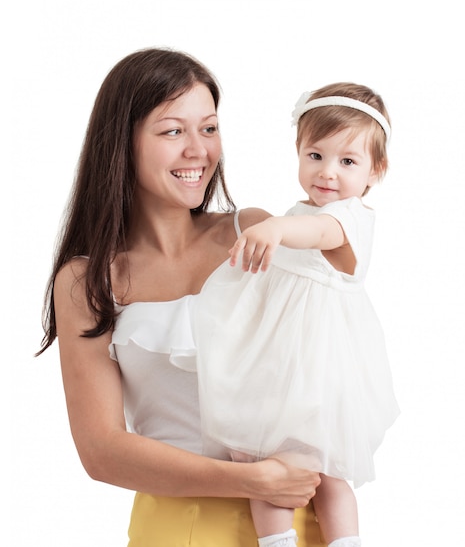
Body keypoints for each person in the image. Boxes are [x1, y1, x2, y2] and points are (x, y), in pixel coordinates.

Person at [37, 48, 324, 546]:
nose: (199, 150)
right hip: (179, 528)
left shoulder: (259, 233)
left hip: (298, 519)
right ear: (122, 142)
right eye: (173, 131)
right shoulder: (87, 281)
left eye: (209, 128)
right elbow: (101, 450)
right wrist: (252, 481)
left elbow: (348, 272)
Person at [194, 83, 400, 547]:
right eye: (315, 155)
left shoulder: (348, 219)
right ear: (299, 152)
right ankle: (277, 541)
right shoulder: (298, 210)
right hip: (277, 365)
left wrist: (278, 227)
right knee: (258, 459)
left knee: (322, 471)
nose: (328, 173)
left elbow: (318, 233)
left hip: (316, 368)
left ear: (376, 170)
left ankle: (345, 541)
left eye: (348, 161)